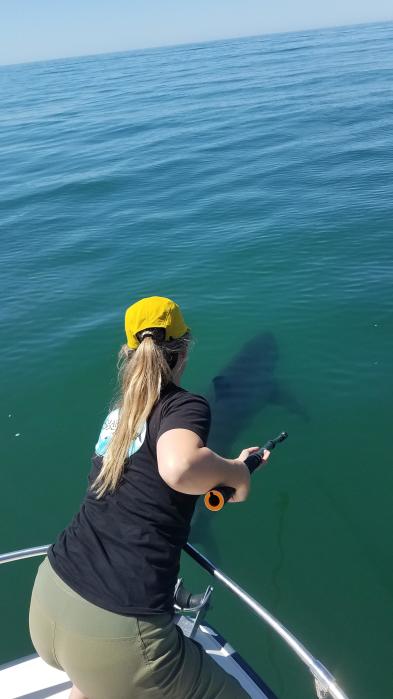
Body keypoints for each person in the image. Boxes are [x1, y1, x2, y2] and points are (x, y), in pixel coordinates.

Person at [29, 296, 270, 699]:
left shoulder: (119, 416)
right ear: (185, 347)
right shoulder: (183, 404)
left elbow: (151, 482)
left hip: (50, 598)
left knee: (94, 683)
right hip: (118, 628)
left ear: (128, 353)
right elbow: (177, 468)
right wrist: (237, 473)